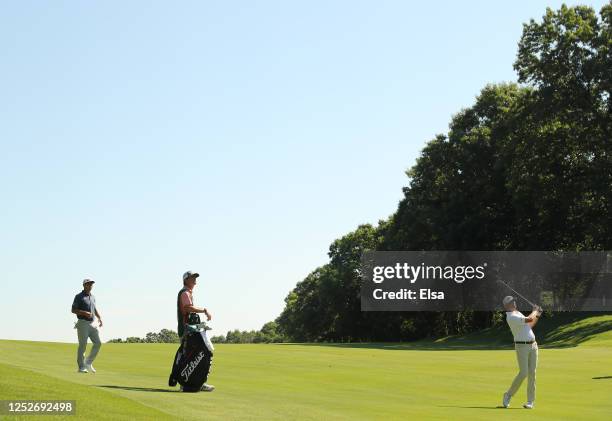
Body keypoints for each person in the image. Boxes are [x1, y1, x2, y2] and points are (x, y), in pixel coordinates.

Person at [176, 270, 214, 392]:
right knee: (189, 356)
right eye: (192, 277)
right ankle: (186, 382)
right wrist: (204, 310)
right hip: (187, 330)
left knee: (198, 355)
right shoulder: (185, 293)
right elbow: (188, 308)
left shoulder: (188, 293)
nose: (195, 280)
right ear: (186, 280)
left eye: (195, 278)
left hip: (191, 330)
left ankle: (198, 381)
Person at [502, 296, 542, 409]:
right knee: (523, 372)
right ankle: (508, 394)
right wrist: (535, 311)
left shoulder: (518, 313)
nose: (514, 302)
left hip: (533, 345)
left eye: (514, 301)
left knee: (532, 373)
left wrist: (537, 314)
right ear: (507, 306)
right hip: (521, 346)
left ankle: (530, 401)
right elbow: (529, 319)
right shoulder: (511, 317)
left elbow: (529, 325)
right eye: (511, 302)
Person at [71, 278, 103, 373]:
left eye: (91, 284)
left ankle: (88, 363)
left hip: (91, 323)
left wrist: (99, 317)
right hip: (82, 323)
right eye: (88, 284)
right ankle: (81, 367)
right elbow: (73, 310)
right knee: (83, 345)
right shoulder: (79, 296)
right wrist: (84, 313)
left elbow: (94, 308)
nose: (90, 286)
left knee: (98, 343)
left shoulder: (93, 297)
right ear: (84, 285)